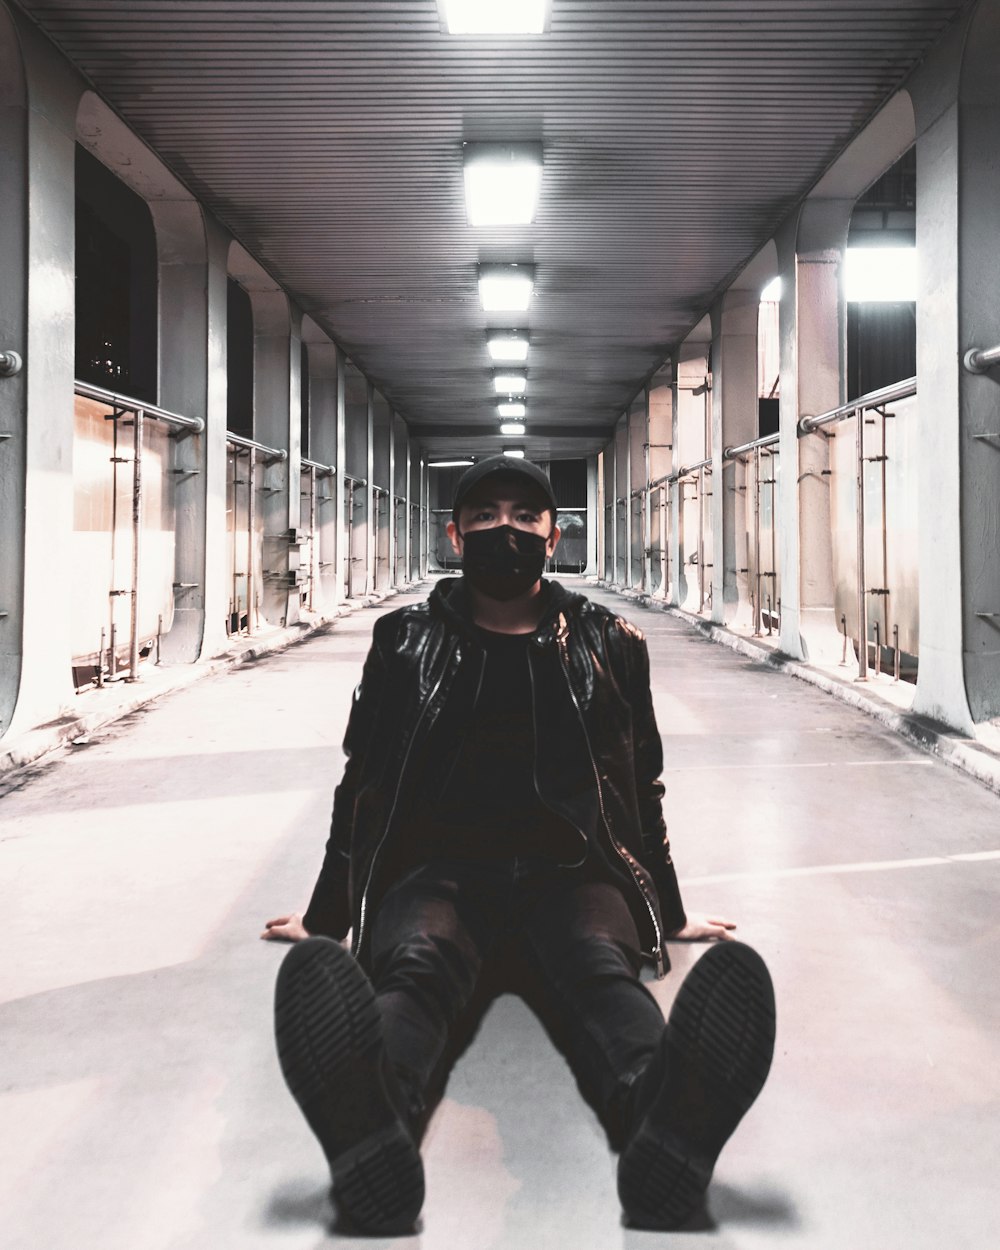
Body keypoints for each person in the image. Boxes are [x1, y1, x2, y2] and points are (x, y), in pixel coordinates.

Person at [263, 453, 775, 1235]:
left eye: (524, 516)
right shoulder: (404, 641)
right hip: (436, 872)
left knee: (600, 973)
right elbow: (362, 784)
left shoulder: (611, 642)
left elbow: (640, 788)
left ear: (554, 534)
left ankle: (664, 1123)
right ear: (455, 534)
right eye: (485, 515)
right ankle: (375, 1130)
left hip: (571, 871)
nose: (506, 528)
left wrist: (669, 911)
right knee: (417, 968)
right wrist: (325, 917)